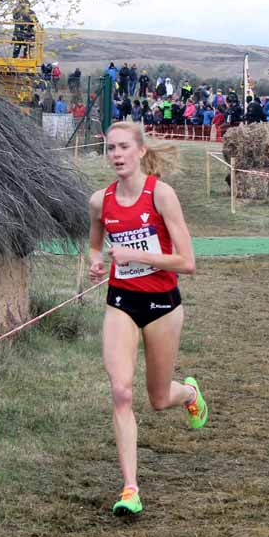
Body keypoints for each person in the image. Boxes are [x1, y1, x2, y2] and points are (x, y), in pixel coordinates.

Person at [87, 122, 209, 516]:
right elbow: (94, 242)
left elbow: (188, 263)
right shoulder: (99, 201)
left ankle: (189, 393)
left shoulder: (162, 195)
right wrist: (95, 260)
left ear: (140, 151)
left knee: (158, 399)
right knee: (121, 392)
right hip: (120, 302)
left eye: (123, 147)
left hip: (162, 306)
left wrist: (138, 256)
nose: (116, 155)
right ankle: (130, 489)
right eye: (110, 149)